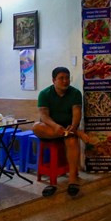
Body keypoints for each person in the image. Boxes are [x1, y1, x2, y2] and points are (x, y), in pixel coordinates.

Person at [33, 67, 90, 197]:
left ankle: (72, 180)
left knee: (71, 140)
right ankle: (76, 133)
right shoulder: (44, 93)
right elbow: (44, 116)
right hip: (51, 129)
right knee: (36, 127)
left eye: (67, 78)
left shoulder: (75, 93)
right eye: (61, 78)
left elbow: (76, 113)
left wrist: (74, 126)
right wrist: (55, 126)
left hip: (69, 127)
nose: (65, 81)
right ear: (54, 80)